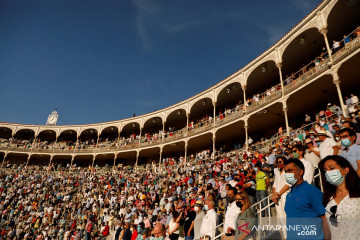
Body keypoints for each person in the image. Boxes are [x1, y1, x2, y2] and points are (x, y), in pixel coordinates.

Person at [284, 158, 330, 239]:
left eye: (290, 170)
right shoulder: (289, 195)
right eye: (286, 171)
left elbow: (325, 217)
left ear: (301, 172)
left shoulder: (312, 191)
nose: (287, 174)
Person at [318, 155, 360, 240]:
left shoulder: (358, 195)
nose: (328, 173)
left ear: (345, 170)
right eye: (325, 170)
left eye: (332, 168)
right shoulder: (329, 198)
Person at [272, 157, 289, 239]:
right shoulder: (277, 173)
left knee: (285, 215)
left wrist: (278, 194)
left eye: (280, 162)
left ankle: (289, 235)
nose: (278, 164)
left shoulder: (287, 172)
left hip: (284, 194)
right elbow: (274, 185)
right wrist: (274, 195)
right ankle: (285, 236)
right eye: (277, 162)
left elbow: (287, 184)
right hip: (277, 196)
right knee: (280, 216)